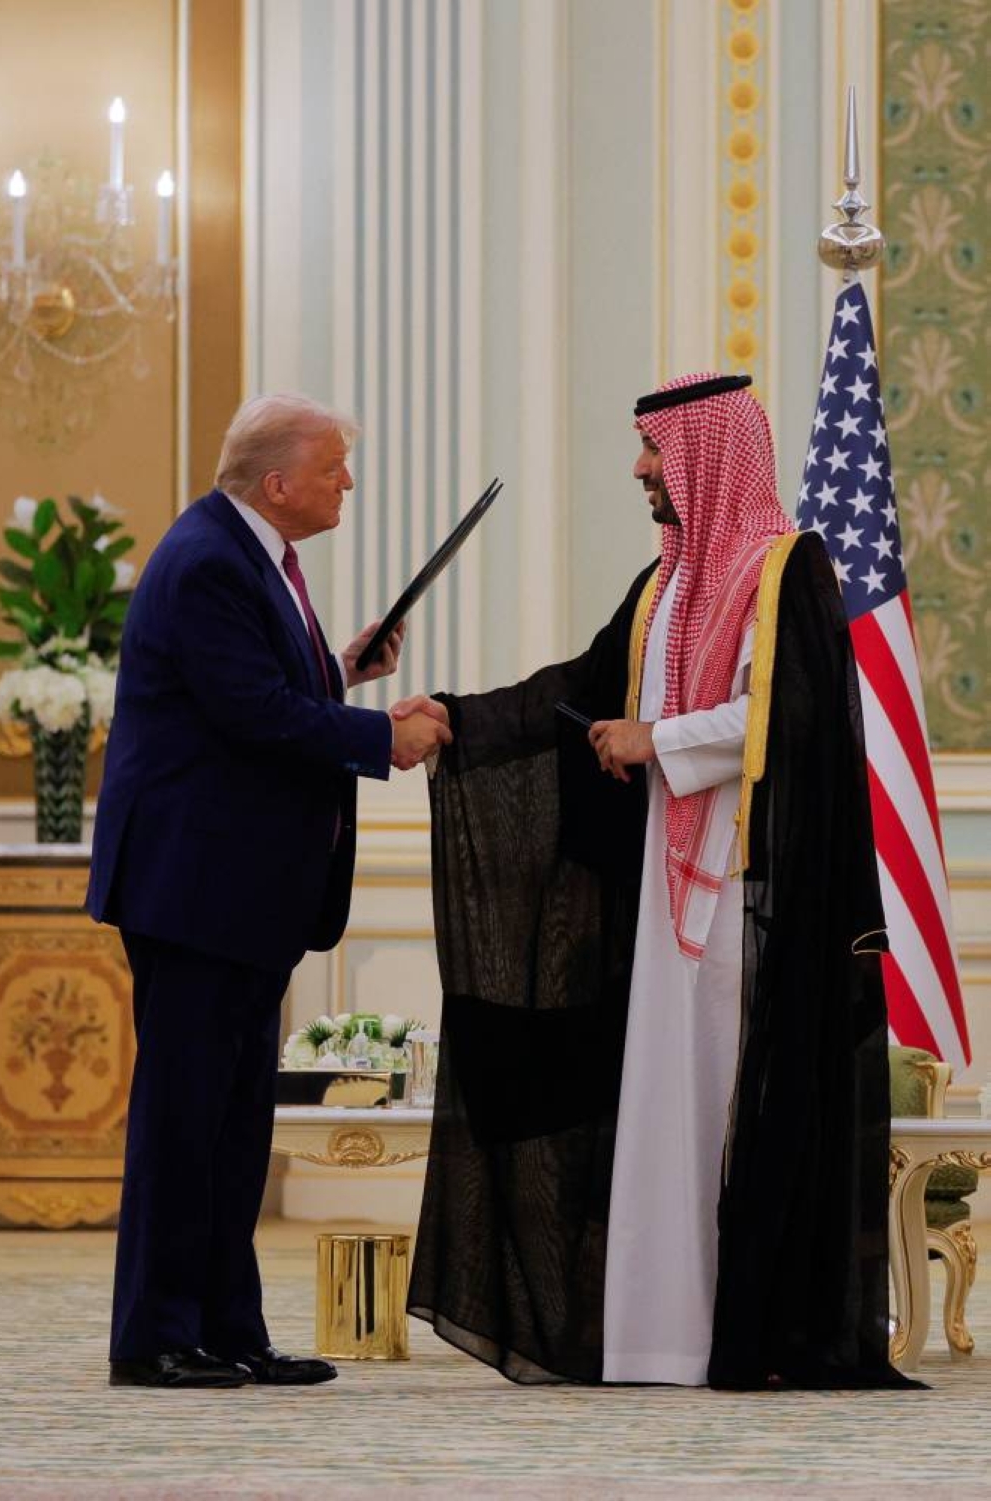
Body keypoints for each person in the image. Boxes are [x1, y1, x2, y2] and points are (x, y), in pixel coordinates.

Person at [400, 372, 915, 1391]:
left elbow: (797, 717)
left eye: (653, 451)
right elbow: (578, 694)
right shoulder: (664, 585)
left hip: (748, 897)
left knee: (725, 1111)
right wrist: (460, 717)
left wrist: (659, 737)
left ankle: (737, 1333)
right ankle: (652, 1338)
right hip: (658, 899)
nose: (640, 469)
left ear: (705, 454)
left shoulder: (785, 571)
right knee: (654, 1114)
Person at [88, 393, 451, 1389]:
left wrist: (341, 668)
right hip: (194, 887)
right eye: (334, 468)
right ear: (279, 483)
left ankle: (226, 1328)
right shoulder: (210, 559)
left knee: (234, 1117)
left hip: (235, 891)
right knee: (186, 1115)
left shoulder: (245, 555)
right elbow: (250, 713)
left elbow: (260, 691)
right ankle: (157, 1335)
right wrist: (386, 736)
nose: (347, 483)